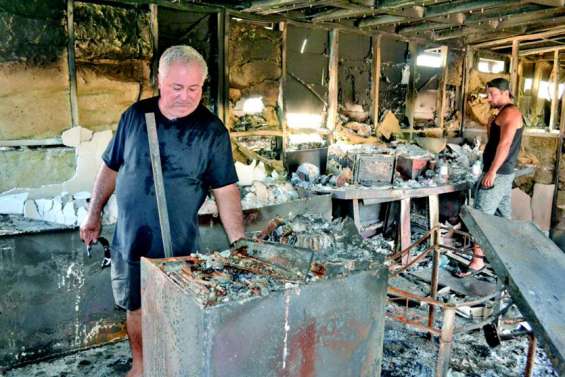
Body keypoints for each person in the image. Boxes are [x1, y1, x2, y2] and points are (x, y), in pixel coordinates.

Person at [79, 45, 245, 376]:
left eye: (194, 89)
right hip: (131, 239)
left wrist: (240, 242)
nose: (185, 96)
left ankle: (172, 367)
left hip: (179, 244)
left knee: (177, 310)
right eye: (176, 87)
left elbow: (226, 191)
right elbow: (110, 168)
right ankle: (140, 367)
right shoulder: (134, 117)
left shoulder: (211, 132)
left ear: (203, 86)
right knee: (135, 308)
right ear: (159, 81)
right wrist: (93, 213)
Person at [457, 78, 524, 277]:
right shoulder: (502, 113)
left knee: (480, 217)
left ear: (505, 93)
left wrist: (491, 172)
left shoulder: (511, 113)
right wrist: (490, 122)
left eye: (492, 94)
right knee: (503, 218)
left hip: (499, 174)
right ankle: (506, 259)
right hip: (504, 173)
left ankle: (477, 262)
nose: (489, 98)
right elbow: (494, 141)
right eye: (488, 94)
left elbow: (504, 145)